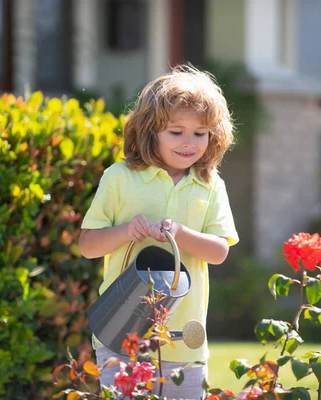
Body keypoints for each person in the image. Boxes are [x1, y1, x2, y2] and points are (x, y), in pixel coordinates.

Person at [78, 64, 239, 399]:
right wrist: (125, 231)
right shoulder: (120, 178)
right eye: (176, 131)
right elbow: (88, 246)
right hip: (121, 331)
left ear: (215, 135)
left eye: (200, 133)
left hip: (185, 342)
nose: (189, 143)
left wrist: (182, 234)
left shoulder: (209, 185)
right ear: (150, 131)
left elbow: (220, 251)